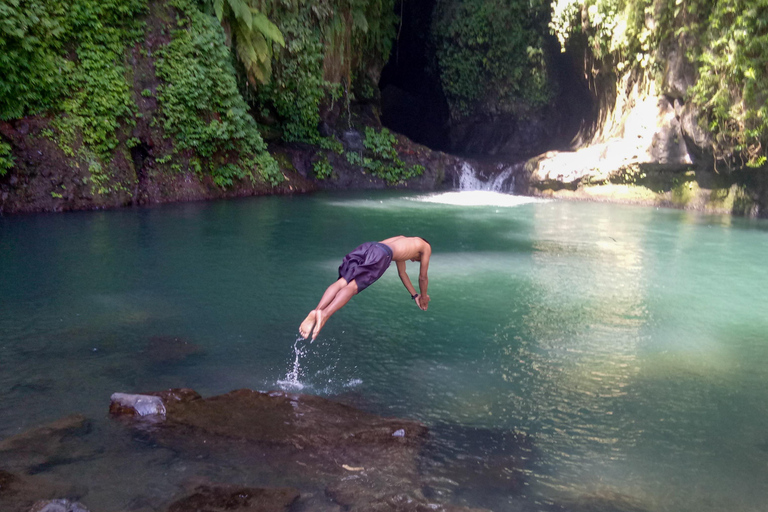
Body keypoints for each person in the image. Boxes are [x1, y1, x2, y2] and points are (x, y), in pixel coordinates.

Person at [299, 235, 431, 340]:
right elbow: (423, 277)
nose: (414, 260)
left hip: (369, 247)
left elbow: (402, 273)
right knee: (352, 287)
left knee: (342, 282)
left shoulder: (403, 241)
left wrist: (415, 296)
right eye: (417, 259)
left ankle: (316, 311)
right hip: (381, 254)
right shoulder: (426, 246)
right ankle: (324, 315)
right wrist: (424, 297)